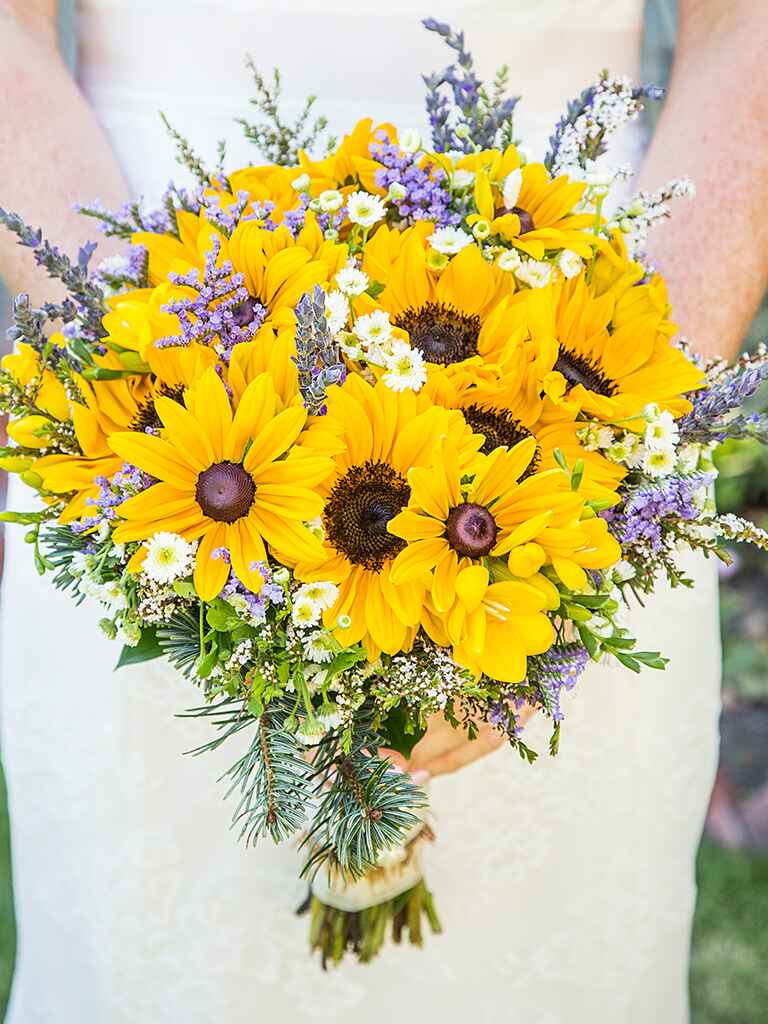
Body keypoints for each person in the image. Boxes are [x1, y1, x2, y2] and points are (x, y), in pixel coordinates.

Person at [0, 1, 766, 1021]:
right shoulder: (155, 374)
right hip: (160, 330)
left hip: (567, 326)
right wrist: (144, 370)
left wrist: (623, 456)